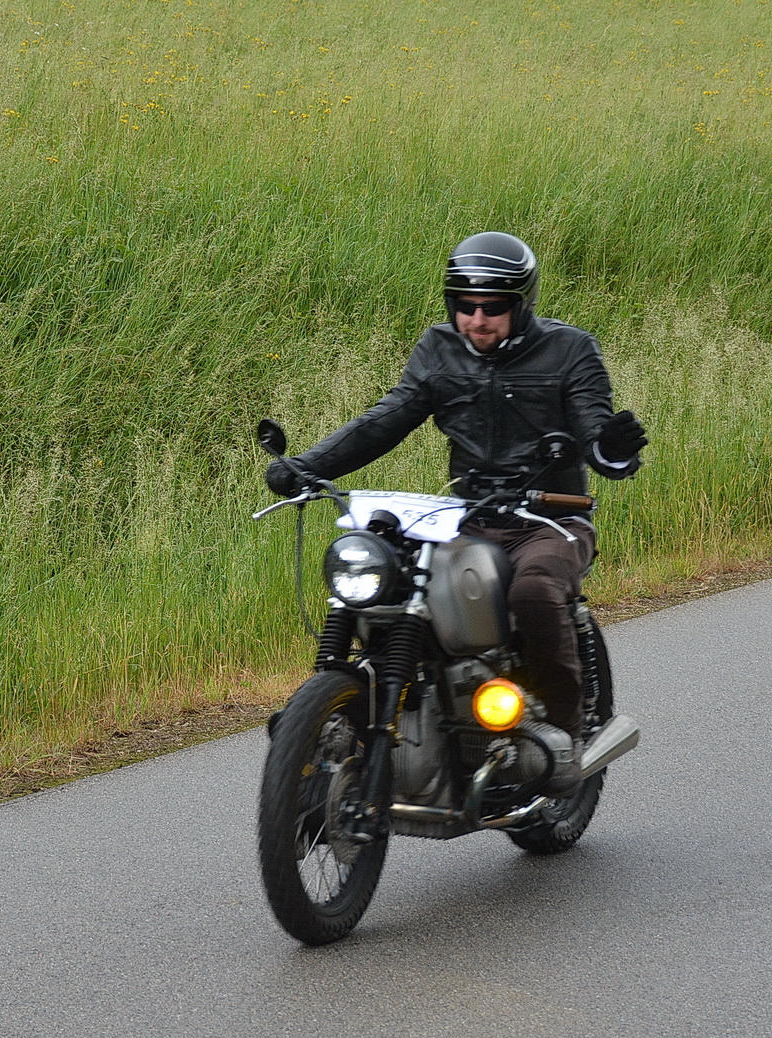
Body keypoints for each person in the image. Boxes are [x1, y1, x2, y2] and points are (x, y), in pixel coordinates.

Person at [265, 231, 647, 796]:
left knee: (534, 591)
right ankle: (344, 727)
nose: (477, 319)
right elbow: (388, 417)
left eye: (492, 307)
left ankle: (565, 734)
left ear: (521, 304)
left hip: (550, 519)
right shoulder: (438, 349)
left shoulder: (571, 351)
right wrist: (307, 466)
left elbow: (596, 430)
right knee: (385, 584)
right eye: (465, 306)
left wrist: (612, 449)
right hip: (465, 517)